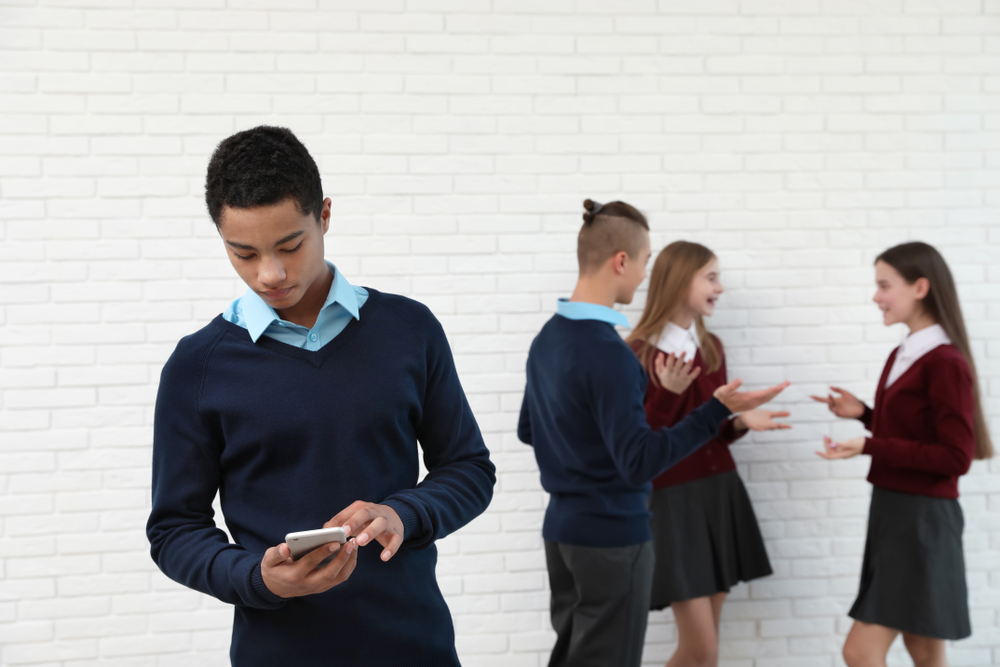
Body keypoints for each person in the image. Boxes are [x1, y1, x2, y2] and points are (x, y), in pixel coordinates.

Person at [146, 126, 496, 666]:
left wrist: (405, 513)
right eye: (243, 253)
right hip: (279, 653)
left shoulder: (409, 329)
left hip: (416, 646)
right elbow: (174, 530)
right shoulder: (198, 366)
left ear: (325, 215)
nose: (270, 274)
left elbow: (470, 468)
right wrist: (256, 576)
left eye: (290, 245)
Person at [518, 199, 790, 667]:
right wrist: (716, 410)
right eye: (644, 262)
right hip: (611, 537)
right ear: (621, 261)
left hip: (563, 533)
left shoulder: (548, 337)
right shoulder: (611, 352)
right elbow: (639, 461)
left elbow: (529, 429)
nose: (645, 275)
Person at [813, 241, 993, 667]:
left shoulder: (944, 361)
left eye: (884, 285)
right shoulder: (905, 352)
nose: (876, 296)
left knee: (859, 651)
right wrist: (865, 415)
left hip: (921, 520)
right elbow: (916, 434)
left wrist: (870, 446)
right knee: (924, 650)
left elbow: (954, 458)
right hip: (896, 512)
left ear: (920, 288)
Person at [626, 241, 789, 667]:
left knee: (707, 651)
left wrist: (740, 422)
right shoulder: (637, 353)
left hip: (719, 492)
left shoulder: (710, 346)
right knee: (701, 649)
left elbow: (710, 430)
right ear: (681, 282)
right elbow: (638, 443)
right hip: (672, 504)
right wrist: (664, 392)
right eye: (711, 277)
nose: (721, 287)